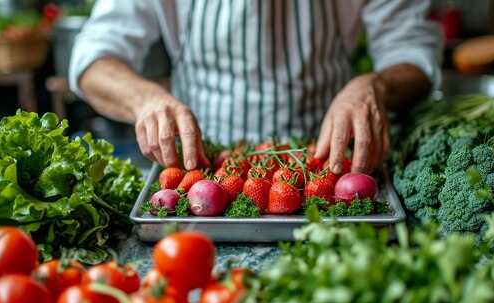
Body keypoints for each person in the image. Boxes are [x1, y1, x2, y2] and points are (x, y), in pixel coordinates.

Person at [69, 0, 443, 175]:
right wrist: (145, 99)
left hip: (327, 168)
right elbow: (92, 58)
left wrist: (374, 85)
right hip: (200, 170)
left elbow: (414, 55)